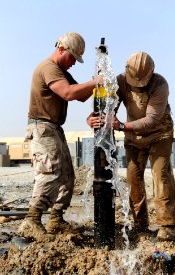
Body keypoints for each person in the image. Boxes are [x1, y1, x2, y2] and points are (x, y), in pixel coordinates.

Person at [18, 32, 103, 241]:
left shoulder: (61, 70)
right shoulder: (49, 68)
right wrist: (96, 81)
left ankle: (56, 218)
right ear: (61, 49)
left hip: (54, 128)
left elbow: (81, 96)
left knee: (67, 174)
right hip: (42, 127)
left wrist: (96, 81)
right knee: (50, 172)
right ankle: (32, 219)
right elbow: (68, 93)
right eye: (73, 57)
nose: (74, 63)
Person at [87, 51, 175, 241]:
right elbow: (110, 106)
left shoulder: (160, 84)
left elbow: (152, 120)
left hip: (159, 135)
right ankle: (140, 224)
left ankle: (167, 225)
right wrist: (94, 117)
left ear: (151, 72)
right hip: (133, 138)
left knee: (160, 175)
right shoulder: (121, 81)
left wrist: (121, 126)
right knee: (133, 178)